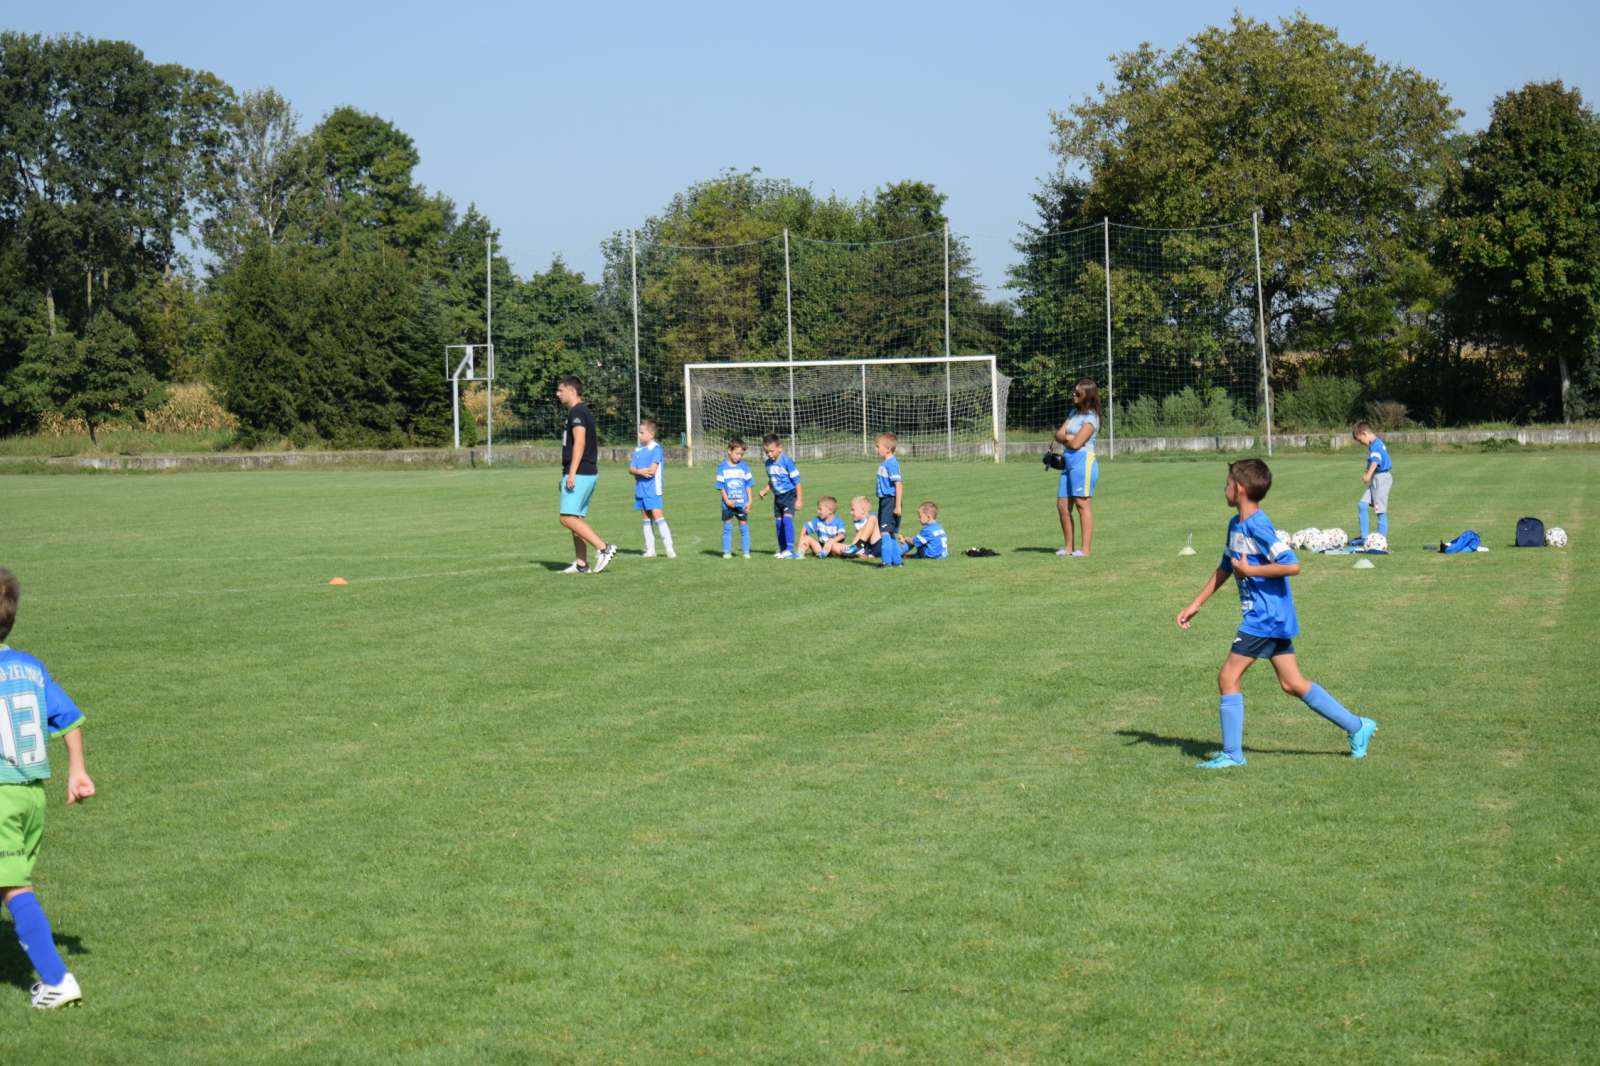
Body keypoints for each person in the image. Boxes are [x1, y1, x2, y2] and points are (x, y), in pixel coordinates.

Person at [1176, 460, 1378, 769]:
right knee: (1292, 683)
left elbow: (1291, 564)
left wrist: (1252, 569)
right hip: (1273, 616)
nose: (1224, 488)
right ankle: (1357, 726)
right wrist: (1196, 603)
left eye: (1227, 483)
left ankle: (1232, 754)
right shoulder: (1236, 525)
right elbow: (1226, 567)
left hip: (1264, 617)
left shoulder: (1258, 525)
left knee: (1228, 677)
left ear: (1239, 489)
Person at [0, 567, 96, 1009]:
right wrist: (77, 770)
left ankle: (57, 980)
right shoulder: (29, 667)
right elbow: (69, 718)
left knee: (14, 889)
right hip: (31, 795)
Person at [555, 376, 617, 574]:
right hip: (585, 472)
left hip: (581, 472)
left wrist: (571, 473)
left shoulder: (577, 412)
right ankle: (582, 564)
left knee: (566, 518)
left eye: (560, 390)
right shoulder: (581, 411)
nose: (558, 394)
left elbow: (579, 443)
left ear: (571, 390)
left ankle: (604, 548)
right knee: (576, 519)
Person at [1052, 379, 1101, 557]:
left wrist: (1068, 437)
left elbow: (1077, 444)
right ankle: (1068, 548)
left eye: (1078, 393)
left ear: (1087, 396)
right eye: (1074, 392)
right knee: (1062, 505)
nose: (1074, 395)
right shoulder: (1073, 413)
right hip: (1068, 462)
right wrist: (1069, 437)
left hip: (1083, 462)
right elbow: (1058, 434)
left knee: (1082, 504)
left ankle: (1085, 549)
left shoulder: (1091, 418)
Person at [627, 419, 675, 559]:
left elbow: (651, 471)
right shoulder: (638, 450)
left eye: (642, 433)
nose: (639, 435)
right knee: (646, 519)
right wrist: (639, 471)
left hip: (653, 490)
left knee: (658, 517)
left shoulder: (656, 449)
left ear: (651, 434)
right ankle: (650, 550)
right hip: (640, 490)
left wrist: (639, 471)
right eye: (639, 432)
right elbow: (631, 469)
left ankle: (669, 549)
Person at [757, 433, 803, 559]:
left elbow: (797, 481)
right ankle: (782, 549)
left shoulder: (787, 462)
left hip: (789, 495)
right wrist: (765, 489)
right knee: (778, 524)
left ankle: (790, 549)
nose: (769, 454)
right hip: (778, 497)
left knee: (787, 520)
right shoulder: (768, 464)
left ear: (779, 448)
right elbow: (773, 480)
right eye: (767, 452)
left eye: (771, 451)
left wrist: (799, 499)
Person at [1352, 421, 1394, 545]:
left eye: (1360, 440)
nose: (1360, 443)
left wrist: (1368, 475)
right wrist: (1367, 471)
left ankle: (1381, 542)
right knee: (1362, 505)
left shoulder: (1376, 445)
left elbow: (1375, 461)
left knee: (1380, 511)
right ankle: (1364, 538)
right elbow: (1371, 461)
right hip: (1376, 478)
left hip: (1382, 479)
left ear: (1364, 433)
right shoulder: (1373, 445)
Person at [715, 439, 756, 559]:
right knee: (727, 527)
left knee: (744, 527)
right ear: (729, 451)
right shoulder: (722, 467)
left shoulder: (744, 467)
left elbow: (748, 484)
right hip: (727, 504)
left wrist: (750, 500)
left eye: (741, 454)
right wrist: (727, 500)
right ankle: (727, 552)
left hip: (741, 503)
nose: (739, 456)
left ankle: (746, 552)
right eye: (737, 453)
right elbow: (720, 486)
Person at [842, 495, 902, 566]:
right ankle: (853, 548)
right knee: (834, 546)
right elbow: (859, 535)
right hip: (870, 548)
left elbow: (887, 530)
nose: (850, 512)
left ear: (863, 510)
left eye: (853, 509)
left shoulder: (873, 517)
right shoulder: (857, 521)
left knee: (872, 519)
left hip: (879, 545)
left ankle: (856, 547)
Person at [873, 433, 903, 543]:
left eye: (878, 446)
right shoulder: (885, 463)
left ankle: (886, 560)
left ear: (888, 449)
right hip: (884, 500)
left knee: (885, 532)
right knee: (888, 532)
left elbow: (898, 484)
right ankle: (896, 560)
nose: (876, 449)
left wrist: (898, 505)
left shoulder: (892, 464)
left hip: (890, 500)